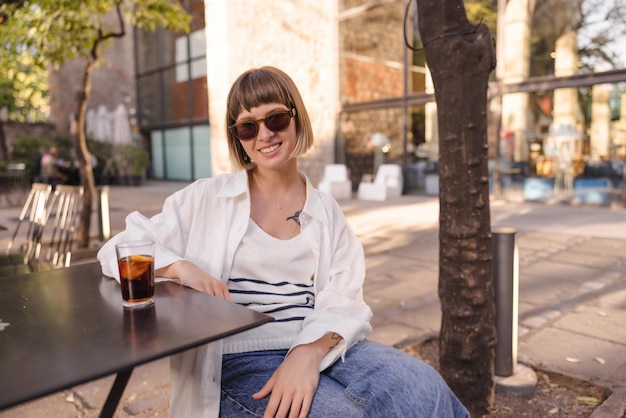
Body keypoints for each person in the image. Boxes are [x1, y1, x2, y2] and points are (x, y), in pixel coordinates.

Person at [97, 66, 469, 418]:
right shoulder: (207, 197)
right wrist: (181, 267)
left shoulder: (326, 210)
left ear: (296, 117)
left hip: (317, 343)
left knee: (424, 389)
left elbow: (344, 298)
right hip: (236, 360)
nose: (265, 135)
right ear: (237, 138)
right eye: (247, 127)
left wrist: (306, 353)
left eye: (275, 119)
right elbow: (120, 247)